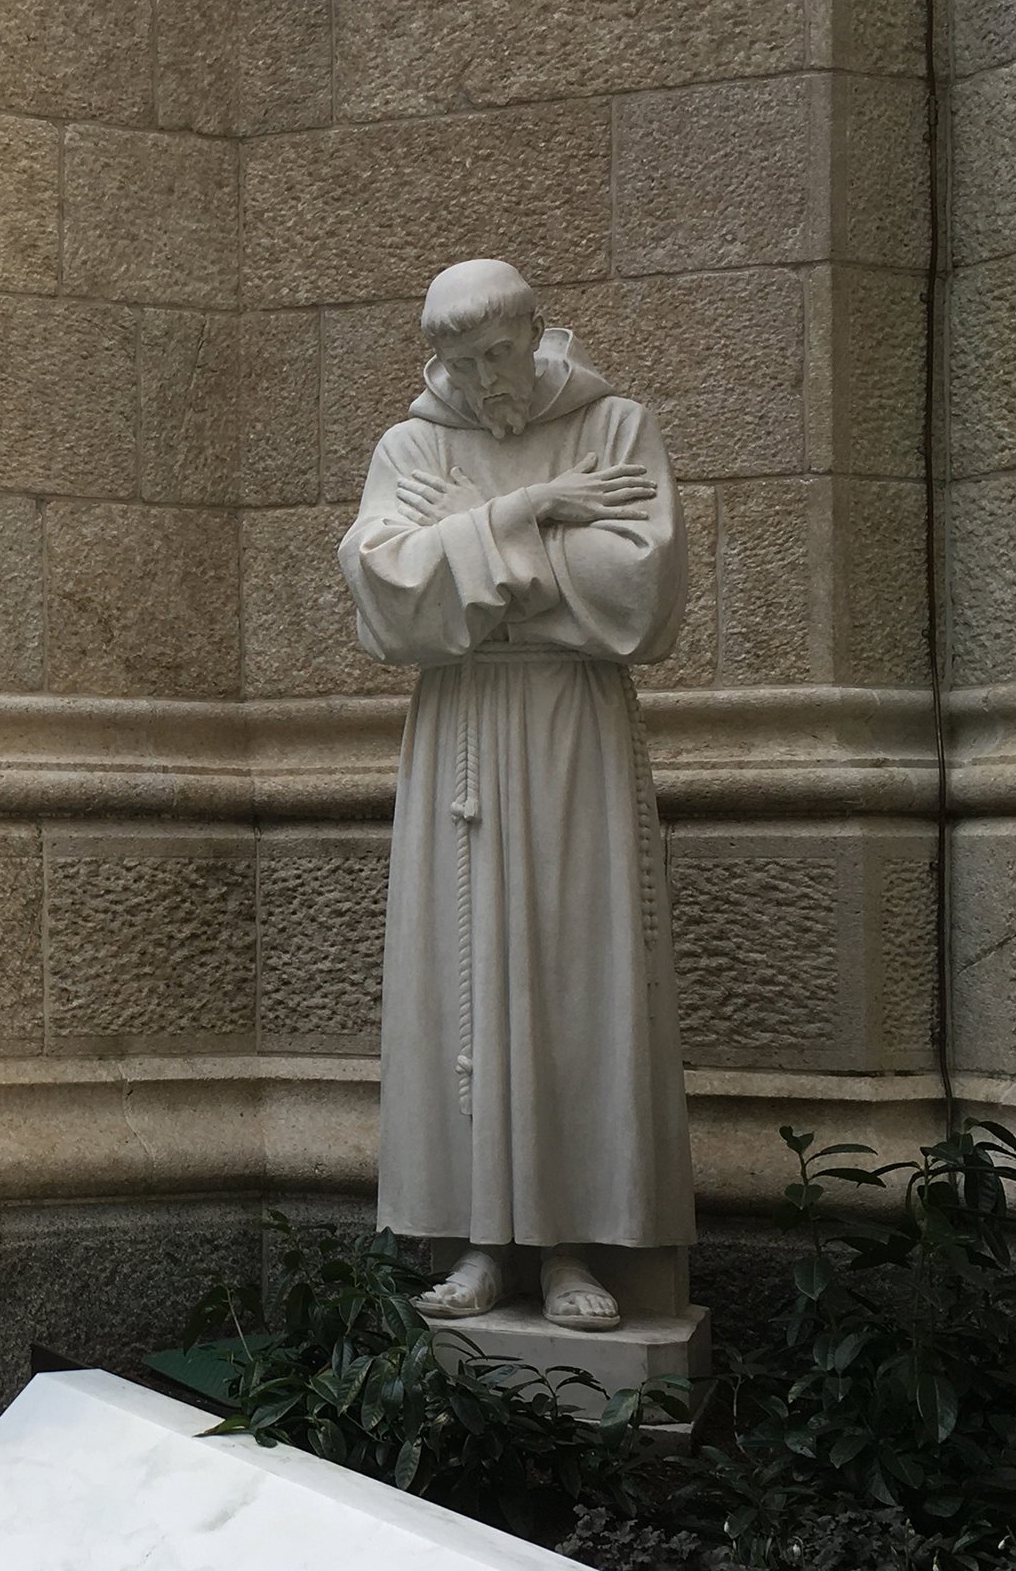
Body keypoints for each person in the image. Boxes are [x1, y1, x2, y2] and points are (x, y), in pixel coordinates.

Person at [338, 258, 692, 1332]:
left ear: (536, 331)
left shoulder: (614, 427)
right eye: (459, 359)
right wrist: (536, 513)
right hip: (458, 736)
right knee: (466, 974)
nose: (484, 376)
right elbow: (384, 601)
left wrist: (473, 553)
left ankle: (574, 1243)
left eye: (499, 350)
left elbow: (640, 597)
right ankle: (478, 1239)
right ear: (432, 358)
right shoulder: (409, 445)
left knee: (572, 970)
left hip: (572, 733)